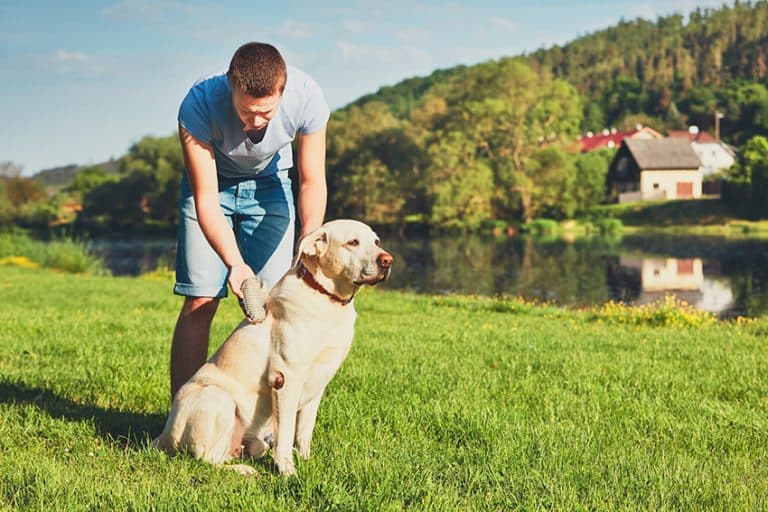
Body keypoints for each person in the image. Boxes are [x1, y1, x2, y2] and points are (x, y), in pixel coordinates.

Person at [170, 42, 330, 398]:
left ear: (283, 90)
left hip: (271, 187)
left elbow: (312, 180)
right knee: (200, 300)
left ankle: (262, 425)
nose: (255, 122)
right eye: (246, 111)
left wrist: (311, 233)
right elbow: (206, 199)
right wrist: (235, 265)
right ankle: (180, 417)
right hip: (213, 189)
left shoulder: (308, 98)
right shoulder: (198, 104)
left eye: (266, 112)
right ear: (231, 85)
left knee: (275, 304)